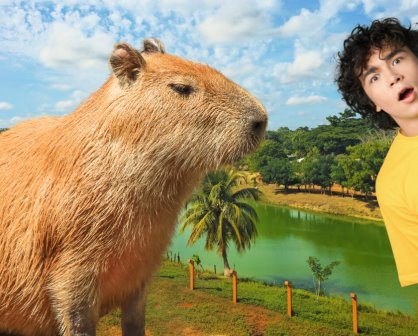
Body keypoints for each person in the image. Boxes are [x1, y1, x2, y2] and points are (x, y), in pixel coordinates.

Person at [336, 18, 418, 287]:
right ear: (372, 102)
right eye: (375, 76)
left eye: (397, 60)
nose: (393, 77)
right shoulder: (391, 182)